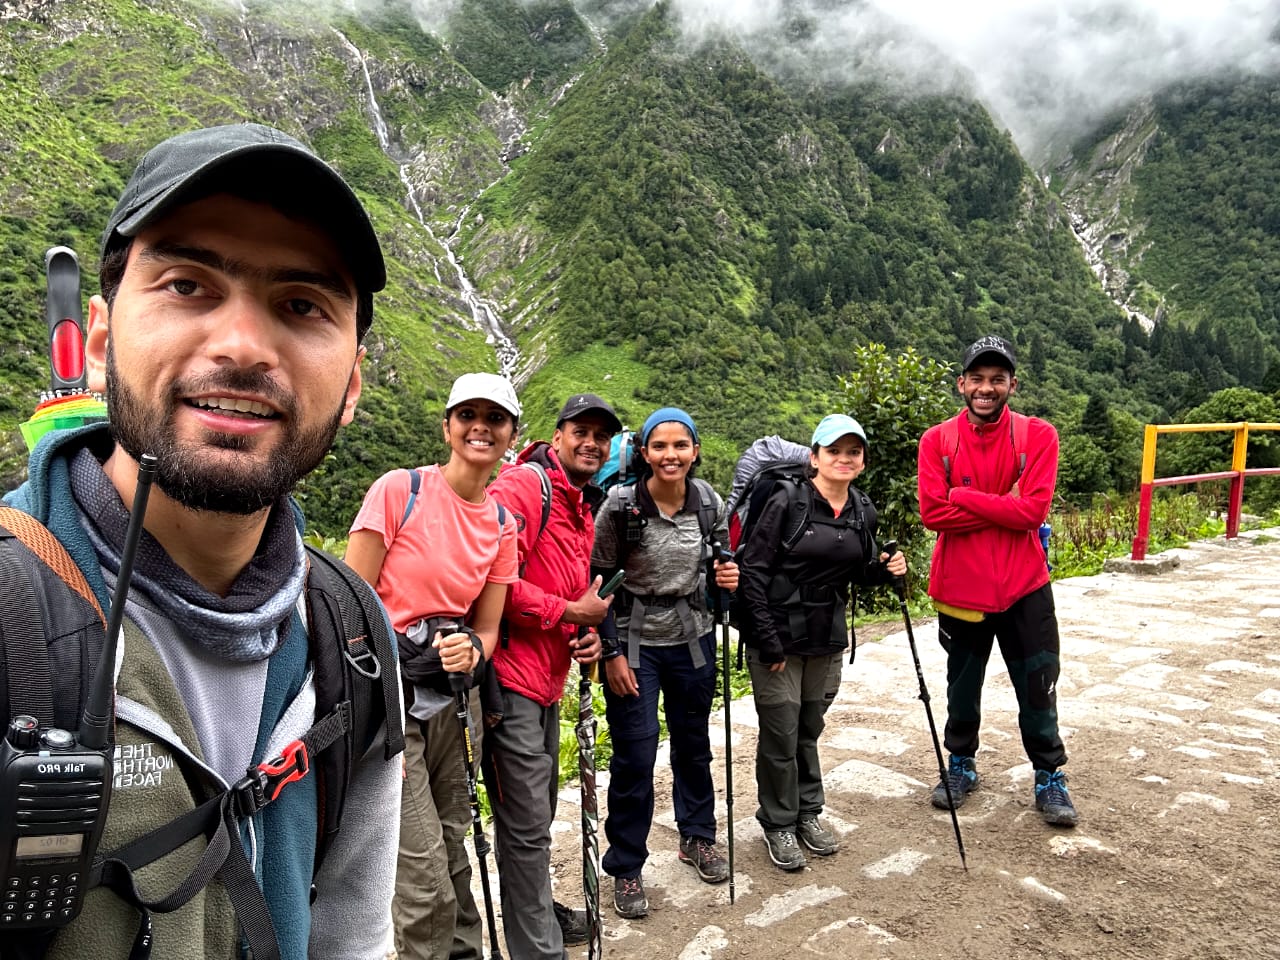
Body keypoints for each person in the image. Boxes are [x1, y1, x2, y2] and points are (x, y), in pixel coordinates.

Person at [1, 122, 400, 958]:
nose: (243, 347)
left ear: (352, 384)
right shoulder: (12, 617)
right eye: (187, 285)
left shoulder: (353, 636)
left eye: (302, 305)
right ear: (100, 339)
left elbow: (353, 938)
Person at [345, 373, 520, 959]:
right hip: (390, 701)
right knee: (423, 877)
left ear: (511, 435)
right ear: (447, 427)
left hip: (453, 701)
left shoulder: (502, 525)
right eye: (467, 415)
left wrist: (472, 649)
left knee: (453, 848)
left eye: (494, 419)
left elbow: (487, 629)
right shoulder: (401, 491)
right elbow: (349, 603)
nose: (480, 427)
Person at [917, 335, 1078, 827]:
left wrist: (963, 496)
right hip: (961, 588)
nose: (986, 388)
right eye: (978, 379)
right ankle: (961, 764)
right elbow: (932, 514)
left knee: (1039, 682)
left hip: (1024, 585)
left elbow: (1033, 512)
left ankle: (1049, 774)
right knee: (962, 684)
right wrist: (1004, 503)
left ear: (1012, 384)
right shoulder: (937, 441)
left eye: (997, 379)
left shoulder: (1037, 436)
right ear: (961, 383)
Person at [484, 393, 622, 959]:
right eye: (580, 432)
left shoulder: (578, 503)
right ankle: (538, 950)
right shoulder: (523, 488)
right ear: (557, 435)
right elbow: (492, 580)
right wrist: (568, 612)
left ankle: (537, 914)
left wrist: (583, 633)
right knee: (526, 825)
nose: (591, 443)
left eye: (601, 436)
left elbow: (567, 594)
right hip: (507, 680)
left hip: (544, 680)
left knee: (534, 817)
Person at [738, 414, 906, 870]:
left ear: (863, 461)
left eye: (853, 452)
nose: (843, 459)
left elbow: (861, 571)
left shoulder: (861, 509)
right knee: (781, 731)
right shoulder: (786, 501)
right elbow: (753, 571)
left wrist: (887, 569)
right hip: (777, 637)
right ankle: (778, 822)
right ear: (814, 457)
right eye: (834, 451)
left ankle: (808, 812)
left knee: (809, 729)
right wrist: (767, 640)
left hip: (826, 636)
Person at [592, 407, 738, 920]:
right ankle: (626, 864)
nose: (670, 455)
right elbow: (599, 582)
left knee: (693, 746)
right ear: (644, 452)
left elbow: (719, 568)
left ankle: (697, 836)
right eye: (660, 446)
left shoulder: (708, 503)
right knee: (635, 755)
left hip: (692, 639)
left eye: (680, 445)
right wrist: (610, 653)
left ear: (695, 451)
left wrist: (726, 580)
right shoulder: (621, 506)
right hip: (634, 644)